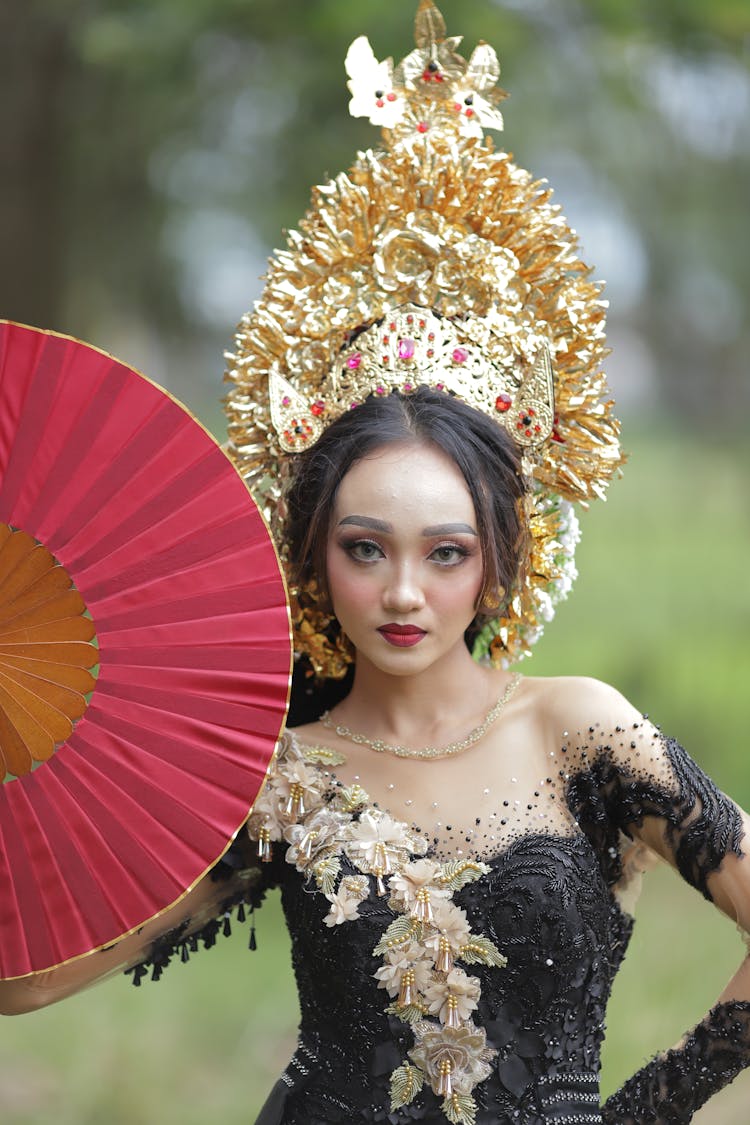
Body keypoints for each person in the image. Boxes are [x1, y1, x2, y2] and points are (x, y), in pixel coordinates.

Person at [2, 5, 749, 1124]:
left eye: (445, 553)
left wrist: (647, 1111)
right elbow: (28, 986)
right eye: (365, 549)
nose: (403, 593)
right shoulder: (273, 775)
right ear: (316, 559)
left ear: (500, 561)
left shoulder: (581, 732)